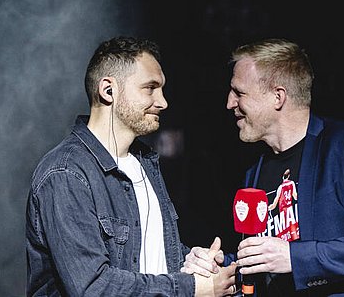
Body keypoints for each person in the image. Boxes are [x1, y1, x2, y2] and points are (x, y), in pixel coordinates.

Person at [183, 38, 344, 296]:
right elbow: (268, 262)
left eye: (239, 93)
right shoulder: (255, 169)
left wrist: (296, 258)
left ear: (278, 97)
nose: (229, 103)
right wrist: (222, 267)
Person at [26, 36, 237, 296]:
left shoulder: (144, 163)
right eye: (150, 88)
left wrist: (191, 262)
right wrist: (191, 288)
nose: (163, 102)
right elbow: (92, 288)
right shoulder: (66, 173)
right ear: (108, 90)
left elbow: (150, 257)